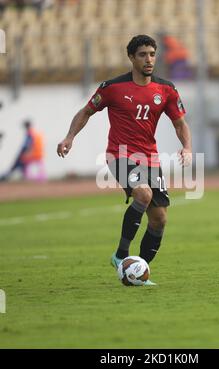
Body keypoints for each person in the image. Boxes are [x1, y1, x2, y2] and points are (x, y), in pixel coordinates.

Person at [57, 35, 192, 285]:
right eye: (142, 54)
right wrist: (69, 137)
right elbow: (86, 111)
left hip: (150, 159)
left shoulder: (167, 90)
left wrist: (187, 147)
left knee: (159, 219)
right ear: (131, 57)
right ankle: (120, 255)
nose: (149, 59)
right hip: (120, 155)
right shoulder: (113, 88)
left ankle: (138, 271)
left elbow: (179, 123)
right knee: (143, 195)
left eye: (152, 54)